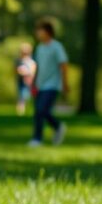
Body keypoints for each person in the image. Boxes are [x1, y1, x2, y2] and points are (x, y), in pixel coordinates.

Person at [29, 18, 68, 147]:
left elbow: (63, 65)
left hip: (53, 84)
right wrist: (34, 83)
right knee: (38, 112)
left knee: (42, 110)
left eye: (39, 30)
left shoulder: (56, 46)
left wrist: (65, 83)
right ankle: (37, 138)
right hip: (41, 84)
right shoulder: (39, 48)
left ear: (47, 31)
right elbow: (38, 66)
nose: (37, 33)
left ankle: (56, 126)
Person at [14, 43, 36, 116]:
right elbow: (15, 70)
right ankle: (20, 111)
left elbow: (33, 71)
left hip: (29, 82)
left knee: (28, 96)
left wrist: (28, 74)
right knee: (22, 96)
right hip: (21, 81)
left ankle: (27, 110)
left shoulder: (31, 62)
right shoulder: (19, 61)